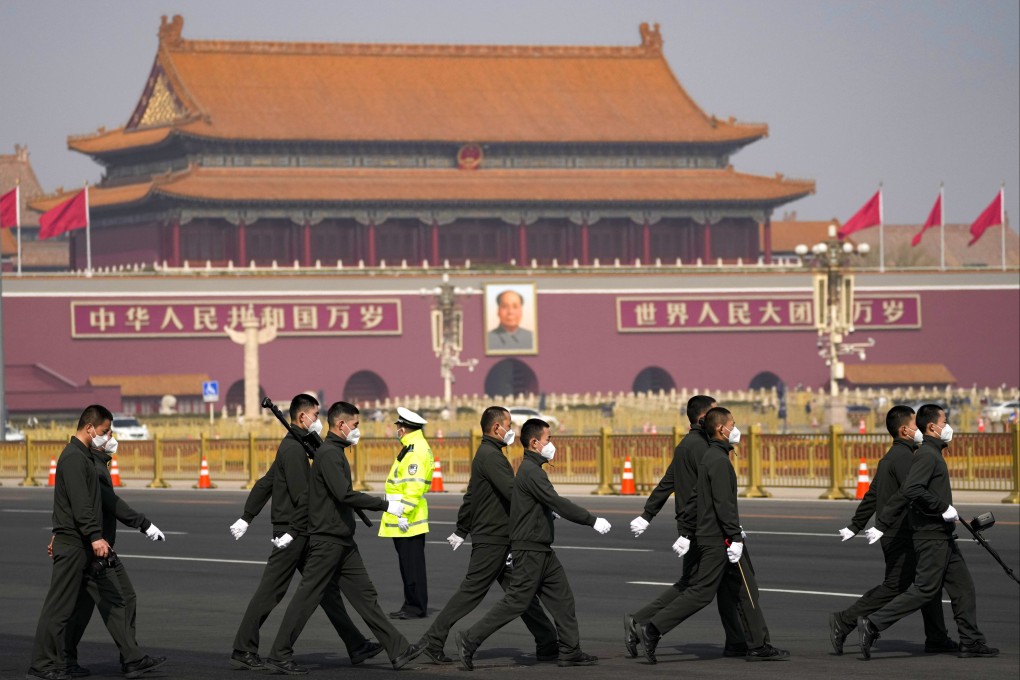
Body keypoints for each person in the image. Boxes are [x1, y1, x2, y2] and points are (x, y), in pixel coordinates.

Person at [265, 401, 425, 674]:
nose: (357, 430)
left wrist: (293, 531)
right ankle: (279, 654)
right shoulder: (329, 455)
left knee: (366, 597)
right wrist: (385, 504)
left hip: (343, 541)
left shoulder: (333, 453)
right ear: (341, 425)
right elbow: (343, 495)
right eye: (355, 425)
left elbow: (310, 498)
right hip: (328, 541)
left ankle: (398, 650)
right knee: (307, 599)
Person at [228, 393, 381, 671]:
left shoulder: (292, 444)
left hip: (297, 528)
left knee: (325, 591)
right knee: (272, 592)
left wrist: (248, 517)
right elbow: (303, 497)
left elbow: (266, 483)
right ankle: (244, 647)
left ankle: (356, 644)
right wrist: (256, 519)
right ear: (302, 417)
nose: (319, 421)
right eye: (316, 415)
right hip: (295, 530)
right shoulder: (295, 450)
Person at [455, 418, 611, 670]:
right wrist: (591, 520)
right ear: (535, 443)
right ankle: (470, 640)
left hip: (541, 548)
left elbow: (540, 505)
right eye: (549, 440)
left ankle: (569, 650)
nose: (552, 445)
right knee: (517, 601)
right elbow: (557, 502)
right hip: (529, 549)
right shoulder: (531, 471)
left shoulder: (532, 471)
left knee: (562, 599)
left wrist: (548, 513)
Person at [635, 407, 789, 663]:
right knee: (703, 592)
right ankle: (653, 628)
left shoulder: (709, 457)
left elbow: (695, 498)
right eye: (733, 424)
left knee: (742, 589)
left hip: (712, 535)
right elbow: (724, 504)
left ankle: (751, 644)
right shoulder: (718, 461)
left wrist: (685, 531)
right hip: (721, 539)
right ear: (721, 429)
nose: (735, 429)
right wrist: (735, 538)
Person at [28, 405, 164, 680]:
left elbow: (88, 501)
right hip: (78, 543)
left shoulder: (85, 458)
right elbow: (81, 504)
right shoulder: (76, 459)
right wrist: (94, 536)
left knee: (88, 605)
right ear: (90, 428)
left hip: (85, 543)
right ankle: (42, 665)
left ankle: (80, 660)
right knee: (59, 608)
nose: (109, 436)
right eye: (105, 431)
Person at [417, 406, 558, 664]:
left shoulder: (487, 454)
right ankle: (433, 638)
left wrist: (462, 528)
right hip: (493, 538)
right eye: (509, 425)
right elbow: (514, 492)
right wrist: (544, 504)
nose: (512, 430)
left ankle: (547, 641)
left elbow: (472, 495)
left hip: (499, 536)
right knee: (472, 592)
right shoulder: (491, 457)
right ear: (497, 428)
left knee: (521, 593)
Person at [858, 404, 998, 660]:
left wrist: (949, 513)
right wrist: (943, 507)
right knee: (924, 590)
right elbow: (911, 489)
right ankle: (874, 623)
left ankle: (971, 640)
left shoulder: (934, 454)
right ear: (932, 427)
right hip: (930, 536)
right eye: (945, 422)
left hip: (941, 534)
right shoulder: (926, 455)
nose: (949, 427)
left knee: (963, 588)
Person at [625, 395, 750, 658]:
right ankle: (646, 625)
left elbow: (667, 481)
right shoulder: (705, 449)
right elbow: (701, 494)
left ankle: (737, 641)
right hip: (705, 528)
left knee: (708, 585)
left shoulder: (686, 445)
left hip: (697, 526)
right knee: (700, 589)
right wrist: (689, 531)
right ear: (706, 419)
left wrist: (648, 514)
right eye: (717, 413)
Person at [828, 405, 954, 655]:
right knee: (898, 587)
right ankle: (845, 620)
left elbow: (872, 494)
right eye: (916, 425)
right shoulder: (908, 458)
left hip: (895, 532)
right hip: (902, 533)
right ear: (905, 430)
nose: (921, 429)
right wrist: (943, 511)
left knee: (928, 584)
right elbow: (913, 493)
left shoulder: (891, 457)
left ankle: (937, 636)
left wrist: (857, 524)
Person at [62, 432, 169, 678]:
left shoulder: (98, 464)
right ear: (93, 433)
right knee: (116, 601)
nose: (112, 437)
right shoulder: (92, 466)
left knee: (97, 604)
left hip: (101, 545)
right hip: (95, 547)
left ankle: (123, 656)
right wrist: (144, 524)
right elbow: (112, 503)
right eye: (108, 432)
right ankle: (131, 658)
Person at [380, 407, 434, 619]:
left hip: (408, 518)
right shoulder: (413, 446)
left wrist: (403, 514)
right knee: (409, 565)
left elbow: (413, 486)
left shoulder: (415, 451)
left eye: (398, 427)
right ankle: (411, 604)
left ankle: (415, 607)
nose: (397, 430)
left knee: (412, 567)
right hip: (405, 516)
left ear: (403, 429)